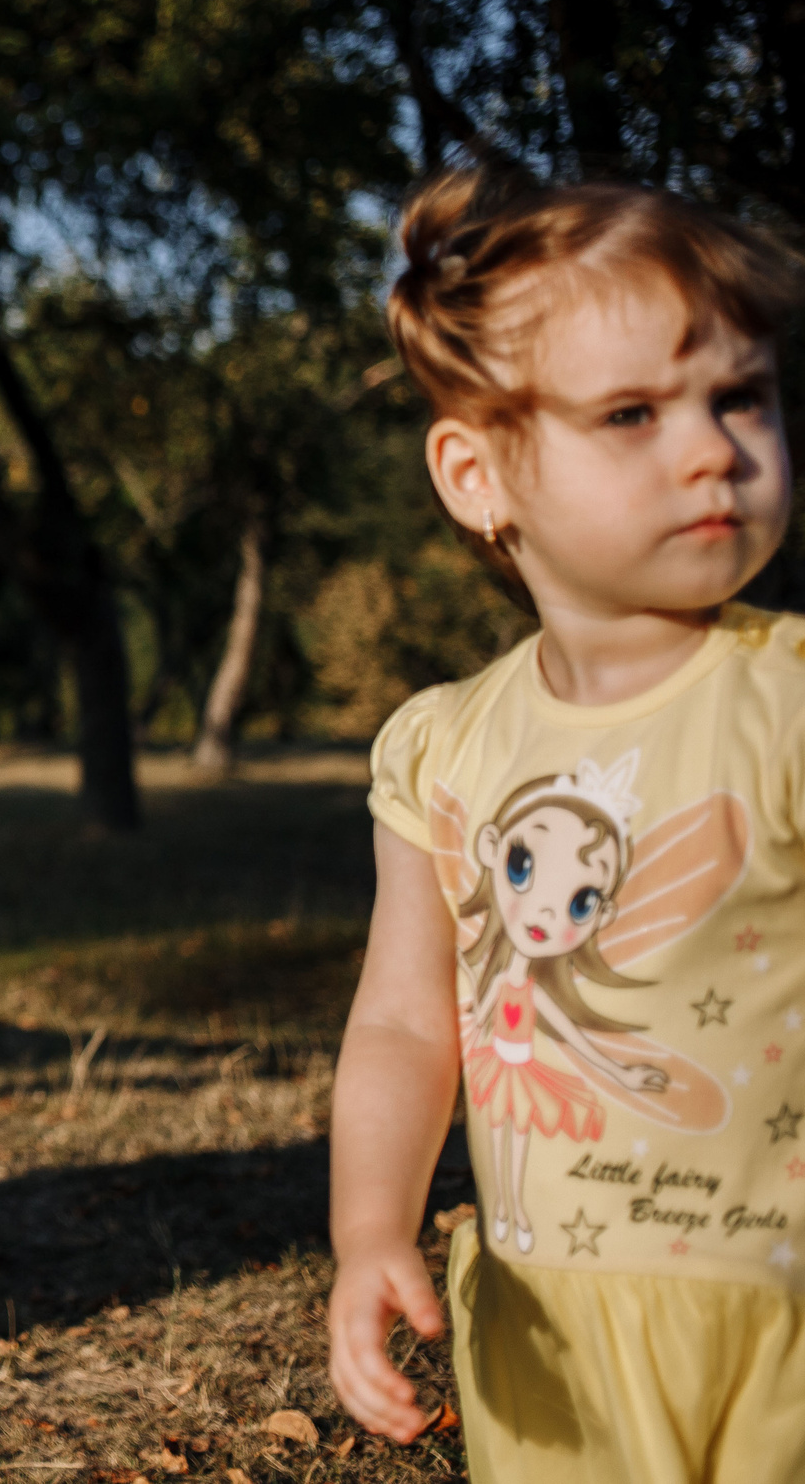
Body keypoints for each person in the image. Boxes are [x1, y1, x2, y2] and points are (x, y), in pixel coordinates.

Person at [326, 162, 805, 1480]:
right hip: (552, 1328)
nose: (714, 446)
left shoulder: (786, 697)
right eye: (634, 411)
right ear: (480, 474)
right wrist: (370, 1230)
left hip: (785, 1316)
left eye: (742, 395)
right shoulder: (444, 746)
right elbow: (407, 1018)